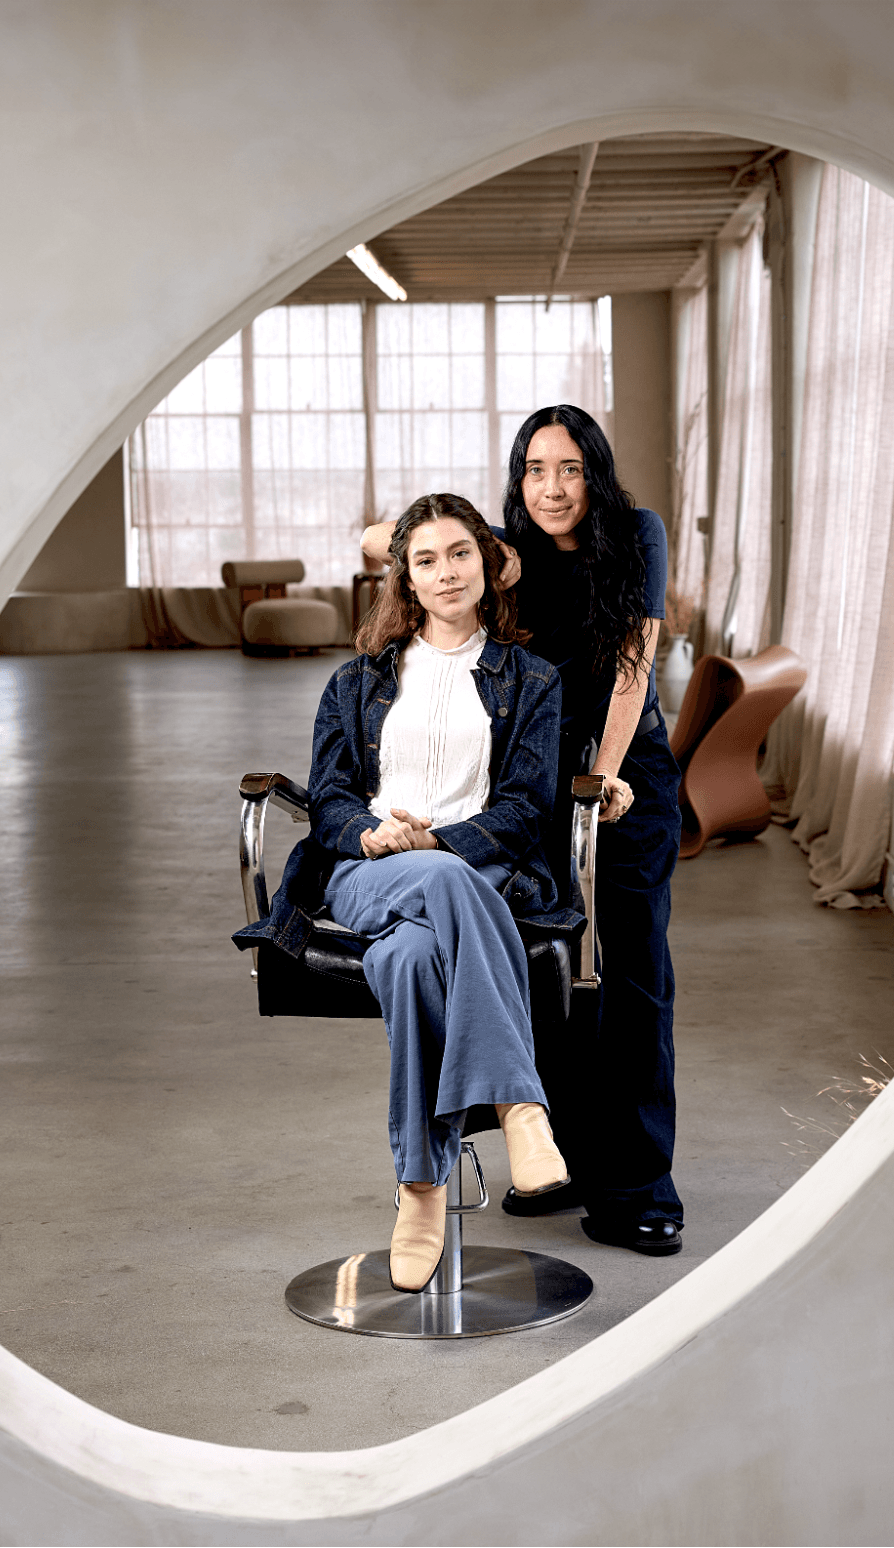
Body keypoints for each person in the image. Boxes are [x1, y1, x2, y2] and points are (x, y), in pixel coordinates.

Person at [234, 493, 578, 1293]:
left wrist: (440, 841)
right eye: (425, 559)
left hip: (477, 871)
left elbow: (527, 807)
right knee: (437, 887)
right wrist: (370, 833)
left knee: (415, 957)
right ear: (405, 579)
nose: (445, 571)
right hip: (366, 873)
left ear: (487, 566)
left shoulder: (531, 679)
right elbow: (329, 798)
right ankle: (520, 1108)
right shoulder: (356, 682)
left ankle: (419, 1190)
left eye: (459, 553)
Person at [362, 405, 685, 1258]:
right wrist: (452, 541)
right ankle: (566, 1159)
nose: (552, 487)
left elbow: (630, 663)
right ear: (517, 477)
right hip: (530, 784)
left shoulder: (636, 535)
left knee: (633, 973)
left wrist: (605, 776)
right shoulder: (505, 548)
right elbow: (383, 542)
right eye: (535, 469)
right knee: (542, 967)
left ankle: (641, 1184)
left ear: (596, 473)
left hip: (621, 780)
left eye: (570, 468)